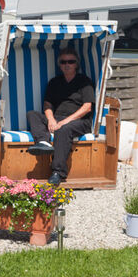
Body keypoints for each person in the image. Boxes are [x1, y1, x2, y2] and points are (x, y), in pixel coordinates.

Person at [26, 47, 95, 185]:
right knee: (32, 114)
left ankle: (58, 172)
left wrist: (64, 122)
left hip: (79, 120)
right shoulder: (54, 82)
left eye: (71, 61)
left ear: (76, 64)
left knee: (63, 130)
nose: (67, 64)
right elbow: (47, 105)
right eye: (63, 62)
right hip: (57, 118)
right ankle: (43, 142)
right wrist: (51, 120)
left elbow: (87, 107)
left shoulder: (84, 82)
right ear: (60, 65)